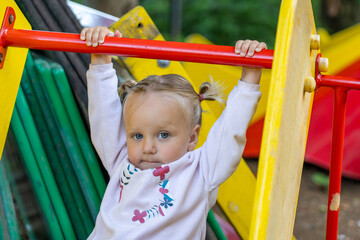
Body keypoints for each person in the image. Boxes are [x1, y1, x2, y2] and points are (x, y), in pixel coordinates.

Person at [81, 26, 266, 239]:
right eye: (137, 136)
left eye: (163, 135)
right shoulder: (121, 160)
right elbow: (103, 116)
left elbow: (231, 130)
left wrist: (250, 76)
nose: (148, 148)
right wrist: (100, 60)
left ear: (192, 137)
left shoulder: (201, 171)